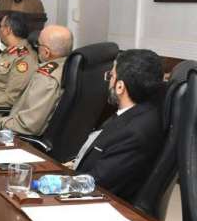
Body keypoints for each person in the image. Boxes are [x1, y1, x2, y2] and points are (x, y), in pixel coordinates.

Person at [64, 49, 163, 202]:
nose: (108, 81)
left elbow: (97, 181)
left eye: (111, 76)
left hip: (97, 200)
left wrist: (59, 182)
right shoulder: (133, 113)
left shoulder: (134, 132)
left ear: (120, 87)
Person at [0, 25, 73, 136]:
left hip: (21, 138)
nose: (36, 48)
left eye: (38, 44)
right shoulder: (71, 66)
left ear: (46, 52)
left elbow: (27, 125)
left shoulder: (46, 79)